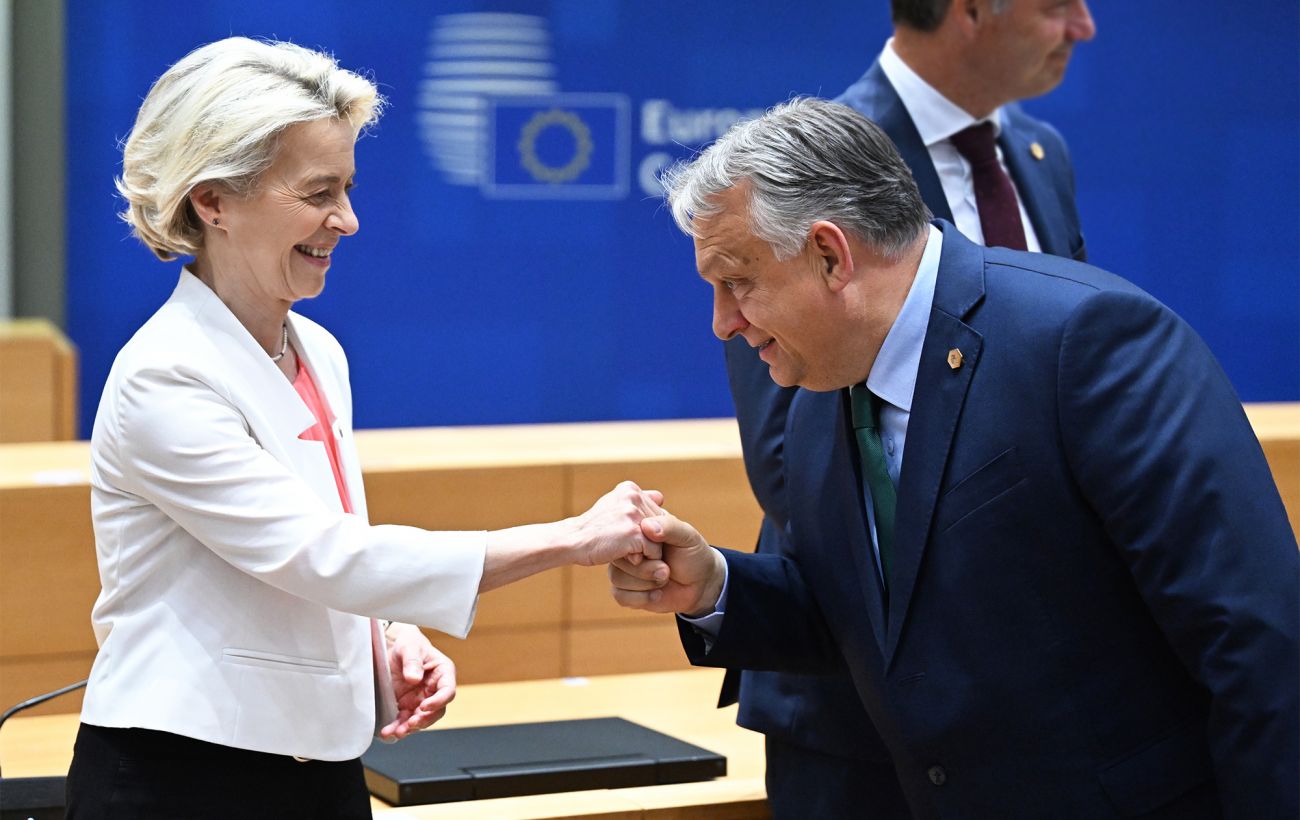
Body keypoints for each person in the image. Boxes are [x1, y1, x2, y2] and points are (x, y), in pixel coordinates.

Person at [612, 98, 1299, 818]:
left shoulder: (1086, 341)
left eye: (737, 282)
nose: (723, 323)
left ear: (829, 255)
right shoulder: (823, 386)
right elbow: (874, 614)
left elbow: (1255, 642)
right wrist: (715, 585)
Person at [65, 37, 662, 819]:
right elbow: (322, 556)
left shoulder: (319, 350)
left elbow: (325, 547)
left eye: (346, 188)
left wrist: (384, 635)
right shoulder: (164, 374)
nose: (347, 220)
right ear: (213, 201)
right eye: (318, 192)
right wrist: (572, 537)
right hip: (178, 776)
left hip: (321, 765)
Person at [721, 1, 1095, 814]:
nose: (1083, 26)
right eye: (1057, 5)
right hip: (861, 701)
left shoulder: (1040, 152)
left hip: (1037, 693)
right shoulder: (808, 162)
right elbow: (791, 466)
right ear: (969, 11)